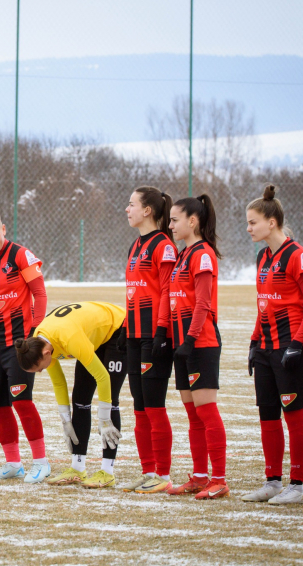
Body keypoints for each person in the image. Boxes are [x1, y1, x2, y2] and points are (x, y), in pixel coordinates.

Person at [242, 185, 303, 505]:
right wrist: (252, 342)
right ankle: (272, 482)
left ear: (271, 222)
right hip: (265, 346)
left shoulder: (298, 256)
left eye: (252, 222)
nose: (248, 228)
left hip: (292, 346)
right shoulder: (263, 256)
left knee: (293, 415)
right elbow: (264, 304)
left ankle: (297, 487)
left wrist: (297, 344)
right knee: (268, 415)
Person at [0, 206, 50, 483]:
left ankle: (41, 462)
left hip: (19, 345)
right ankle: (13, 463)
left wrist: (35, 332)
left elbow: (39, 293)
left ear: (3, 228)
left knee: (22, 402)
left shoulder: (20, 255)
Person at [15, 301, 126, 488]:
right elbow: (59, 383)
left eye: (40, 368)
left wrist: (105, 418)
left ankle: (107, 472)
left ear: (47, 353)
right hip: (91, 335)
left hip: (117, 328)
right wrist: (66, 420)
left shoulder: (69, 339)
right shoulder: (36, 341)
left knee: (111, 398)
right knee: (80, 399)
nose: (42, 372)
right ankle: (77, 468)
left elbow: (103, 377)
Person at [166, 194, 229, 500]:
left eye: (175, 219)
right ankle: (200, 476)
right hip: (183, 345)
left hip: (200, 343)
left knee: (207, 412)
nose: (171, 225)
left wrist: (190, 340)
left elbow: (203, 303)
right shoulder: (182, 254)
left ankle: (219, 479)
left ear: (193, 221)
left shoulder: (202, 254)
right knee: (193, 415)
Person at [120, 187, 177, 494]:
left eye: (131, 204)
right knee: (139, 407)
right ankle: (148, 471)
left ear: (148, 211)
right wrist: (125, 326)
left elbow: (168, 290)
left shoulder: (164, 245)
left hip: (154, 336)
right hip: (133, 335)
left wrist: (161, 330)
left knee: (154, 406)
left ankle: (163, 475)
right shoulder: (135, 245)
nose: (126, 209)